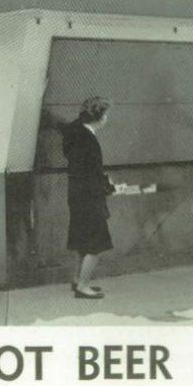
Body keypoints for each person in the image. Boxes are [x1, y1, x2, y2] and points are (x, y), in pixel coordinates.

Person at [62, 96, 115, 299]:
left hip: (76, 196)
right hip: (90, 198)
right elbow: (92, 173)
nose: (107, 118)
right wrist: (107, 187)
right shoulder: (89, 140)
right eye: (106, 114)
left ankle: (77, 280)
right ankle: (84, 286)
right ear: (99, 116)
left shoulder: (75, 132)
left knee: (81, 241)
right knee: (96, 244)